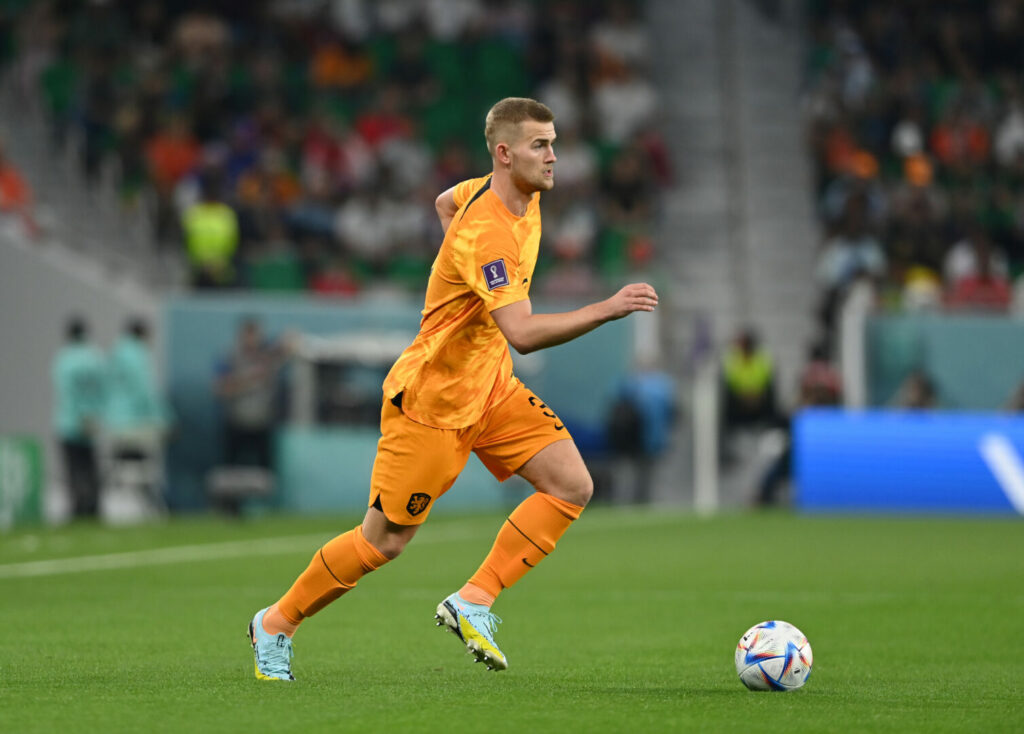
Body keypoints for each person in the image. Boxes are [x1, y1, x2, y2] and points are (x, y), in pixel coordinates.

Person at [247, 97, 659, 681]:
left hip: (490, 390)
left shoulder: (502, 195)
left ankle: (474, 599)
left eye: (554, 142)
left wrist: (455, 272)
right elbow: (520, 332)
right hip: (432, 405)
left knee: (570, 485)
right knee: (383, 542)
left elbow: (446, 202)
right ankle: (276, 623)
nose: (553, 155)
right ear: (505, 152)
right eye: (541, 144)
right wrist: (606, 308)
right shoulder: (487, 234)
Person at [51, 316, 107, 519]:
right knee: (91, 467)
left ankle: (78, 508)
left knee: (74, 469)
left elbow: (66, 392)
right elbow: (103, 390)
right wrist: (94, 415)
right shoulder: (96, 357)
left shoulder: (65, 358)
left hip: (69, 423)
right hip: (91, 423)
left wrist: (78, 416)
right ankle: (93, 507)